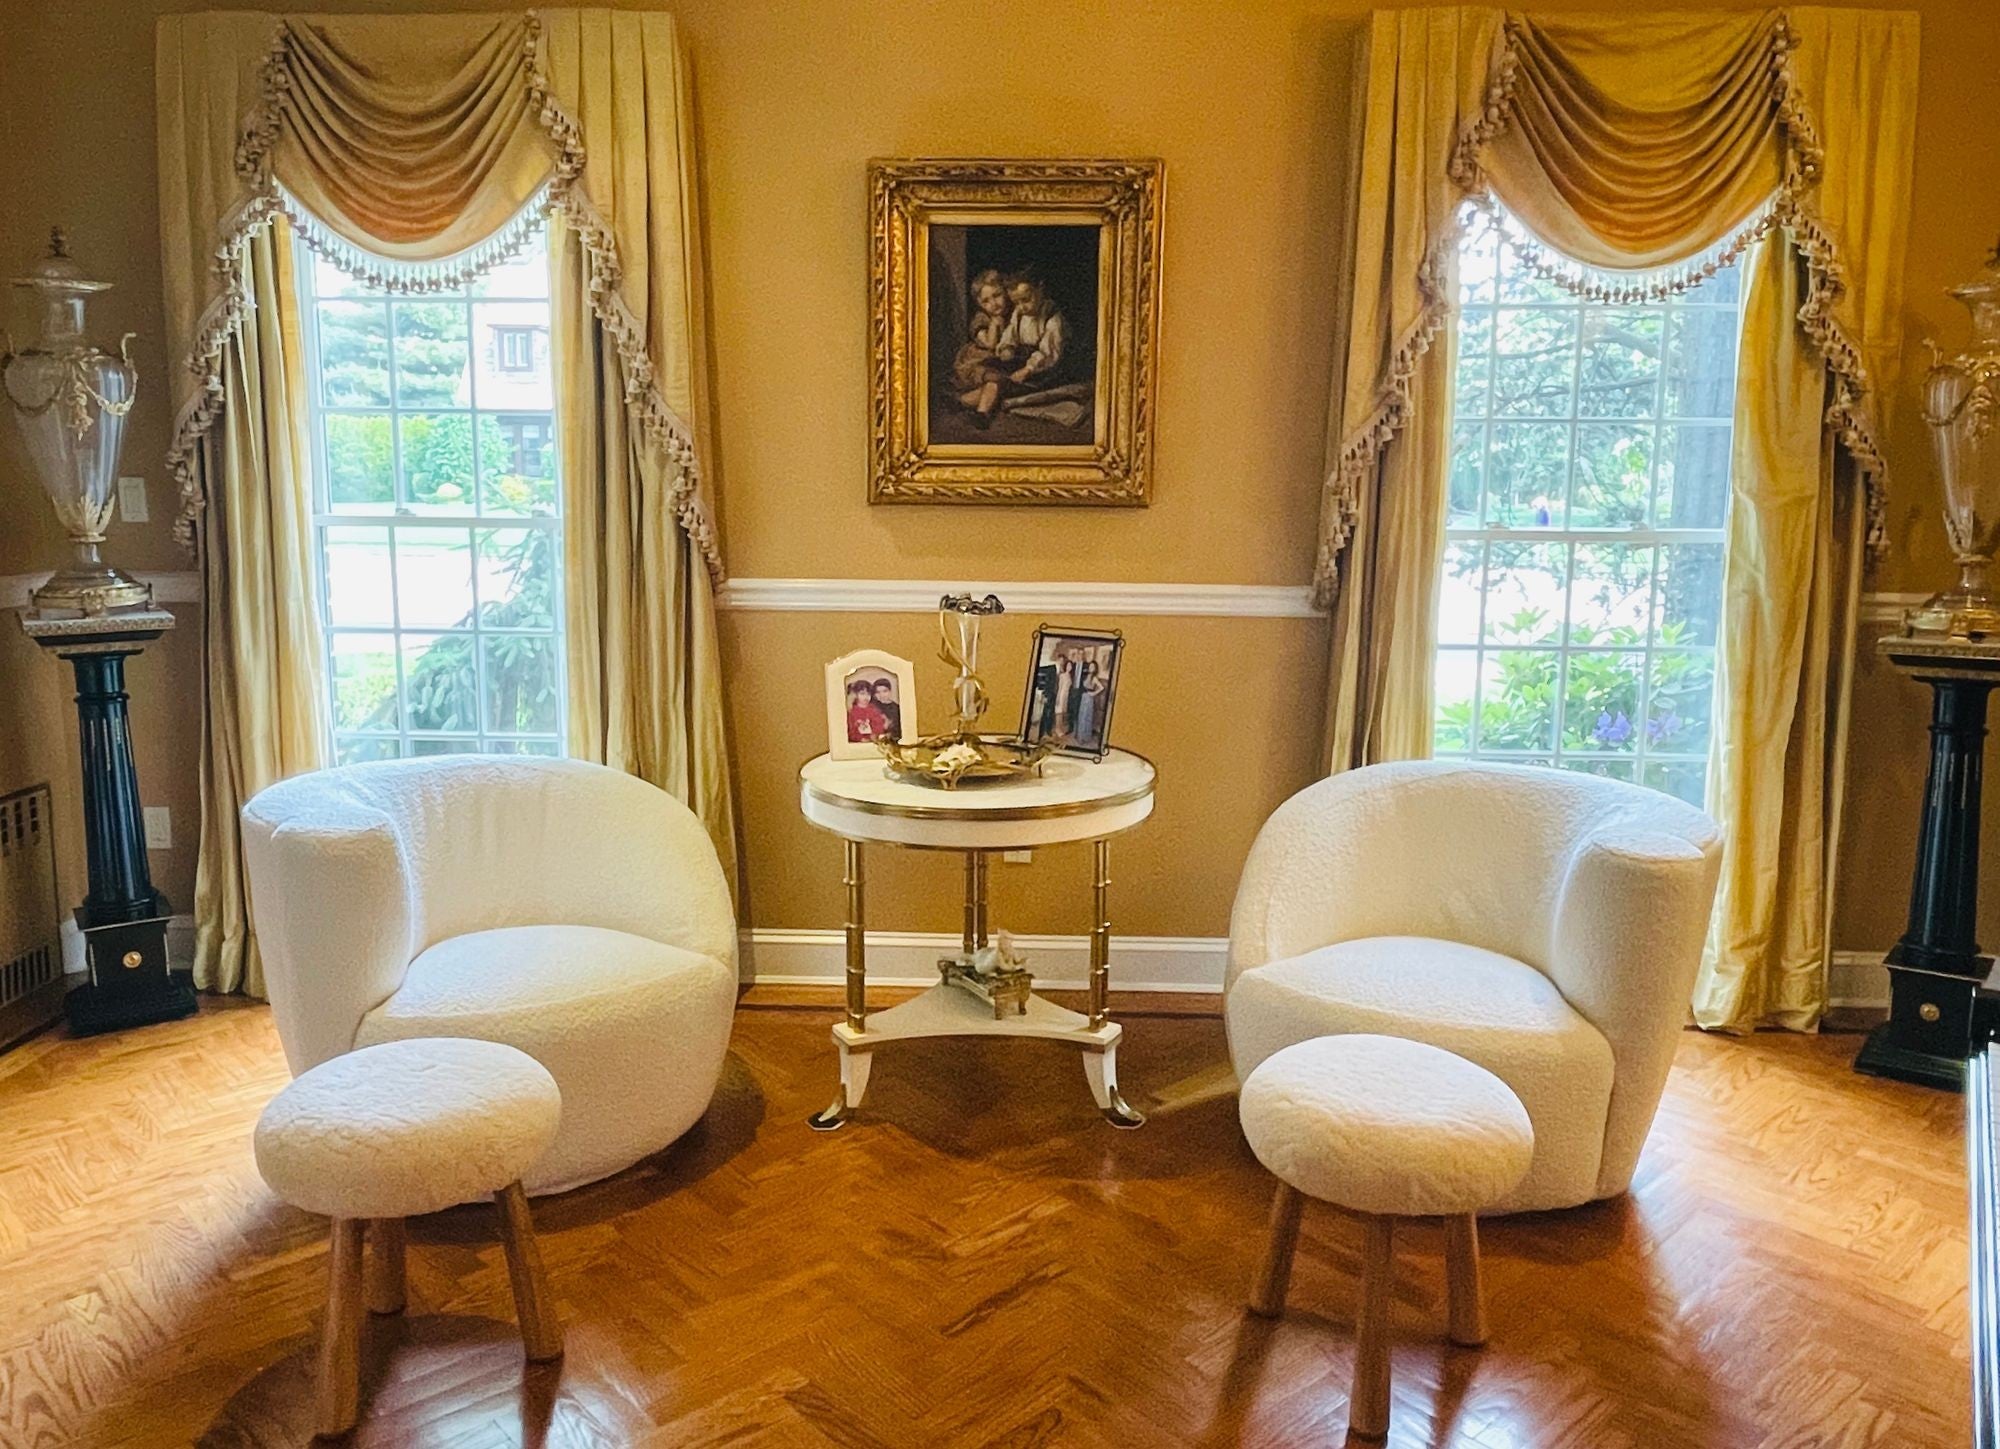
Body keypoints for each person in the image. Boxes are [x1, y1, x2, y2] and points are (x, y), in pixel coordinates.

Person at [966, 273, 1067, 427]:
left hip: (1041, 369)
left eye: (1026, 300)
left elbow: (1048, 353)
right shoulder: (1020, 312)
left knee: (998, 382)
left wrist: (1027, 369)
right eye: (1016, 302)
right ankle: (967, 404)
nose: (1021, 307)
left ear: (1039, 290)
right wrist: (1006, 348)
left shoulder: (1052, 317)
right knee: (993, 369)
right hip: (1021, 360)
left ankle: (980, 412)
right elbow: (1010, 334)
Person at [950, 269, 1012, 395]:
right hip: (978, 360)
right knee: (992, 378)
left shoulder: (1012, 315)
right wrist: (994, 325)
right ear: (979, 303)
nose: (993, 304)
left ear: (1006, 292)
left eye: (997, 295)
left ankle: (968, 401)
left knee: (999, 385)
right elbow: (990, 344)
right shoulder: (981, 319)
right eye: (986, 301)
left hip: (999, 360)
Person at [1072, 658, 1107, 747]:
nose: (1091, 668)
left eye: (1093, 667)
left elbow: (1102, 688)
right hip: (1083, 697)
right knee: (1081, 716)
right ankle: (1079, 736)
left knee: (1086, 717)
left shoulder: (1094, 678)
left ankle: (1084, 738)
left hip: (1088, 699)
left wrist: (1094, 693)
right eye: (1090, 666)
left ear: (1095, 668)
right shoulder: (1085, 675)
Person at [846, 677, 889, 744]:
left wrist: (874, 736)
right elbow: (851, 731)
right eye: (862, 694)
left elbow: (879, 726)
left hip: (873, 742)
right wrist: (860, 738)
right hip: (857, 744)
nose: (866, 697)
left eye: (868, 694)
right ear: (856, 695)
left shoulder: (874, 710)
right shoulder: (852, 712)